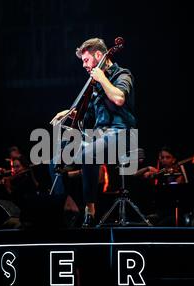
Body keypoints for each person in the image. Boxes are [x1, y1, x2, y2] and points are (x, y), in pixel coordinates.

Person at [51, 38, 137, 227]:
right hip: (99, 136)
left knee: (89, 153)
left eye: (86, 60)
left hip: (122, 134)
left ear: (99, 55)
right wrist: (70, 111)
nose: (84, 65)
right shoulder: (95, 86)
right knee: (58, 155)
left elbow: (119, 98)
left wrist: (102, 78)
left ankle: (91, 211)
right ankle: (65, 207)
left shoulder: (122, 75)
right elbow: (86, 115)